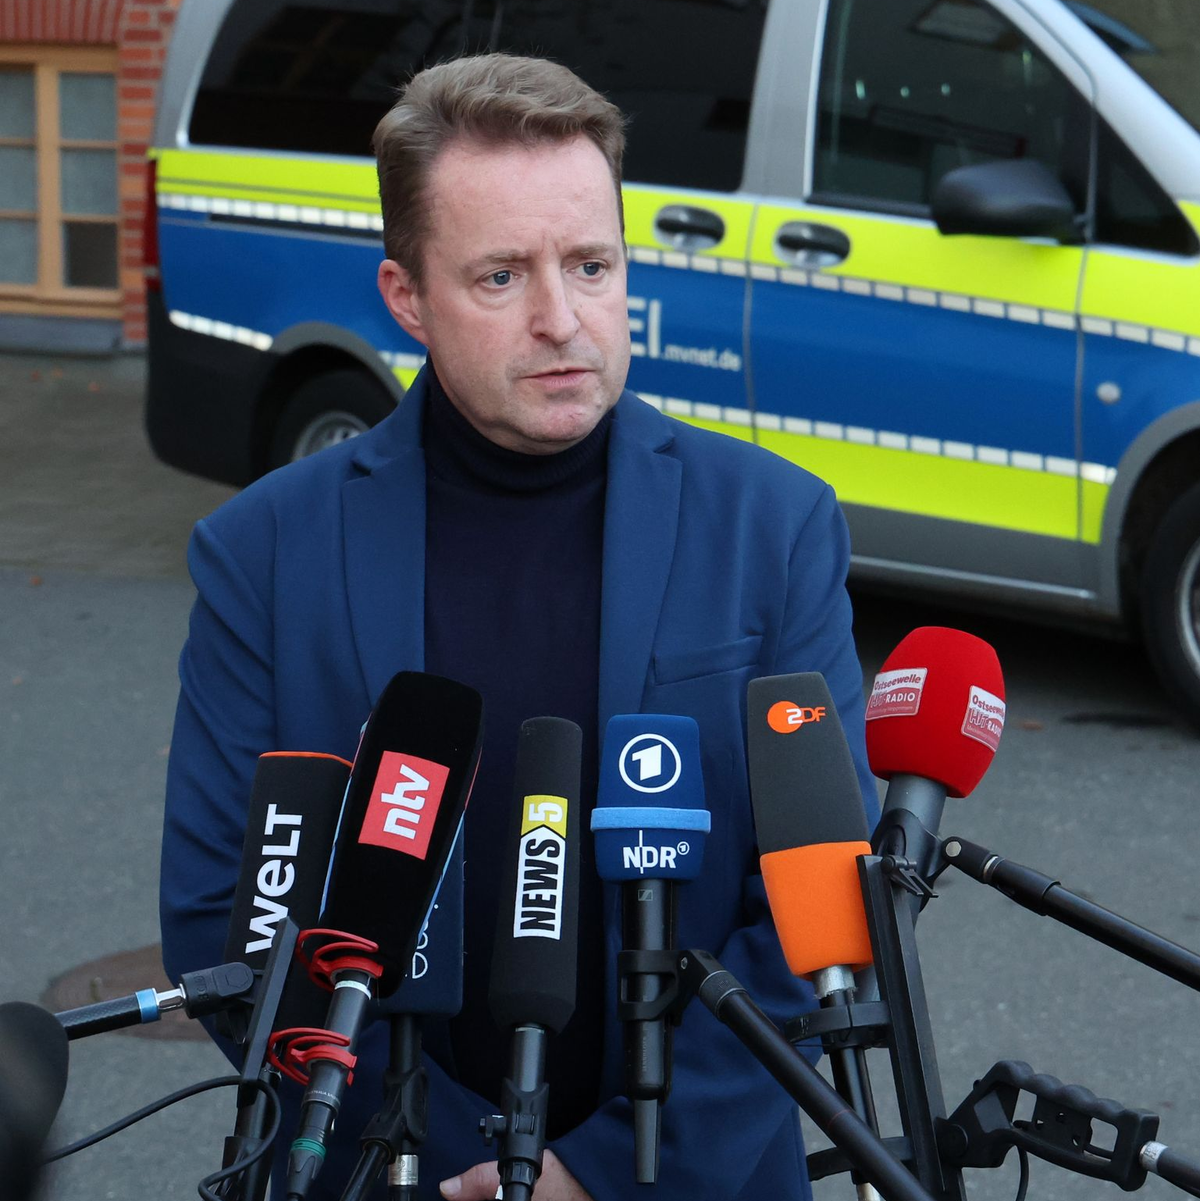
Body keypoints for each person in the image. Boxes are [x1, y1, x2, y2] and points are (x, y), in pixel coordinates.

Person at [160, 53, 877, 1201]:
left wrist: (599, 1177)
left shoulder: (774, 527)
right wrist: (447, 1164)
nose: (562, 319)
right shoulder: (265, 553)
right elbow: (224, 917)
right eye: (501, 277)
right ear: (407, 296)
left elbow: (829, 907)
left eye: (590, 264)